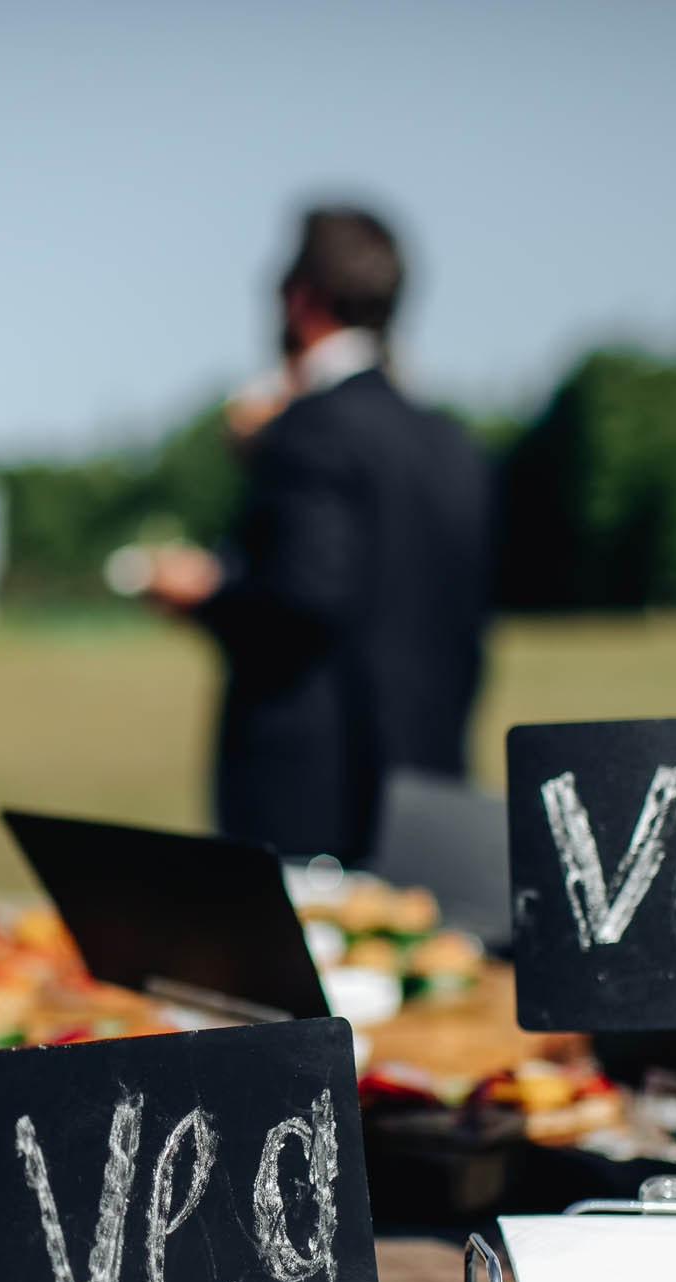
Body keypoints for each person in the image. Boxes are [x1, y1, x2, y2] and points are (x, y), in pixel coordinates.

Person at [142, 205, 493, 863]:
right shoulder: (451, 442)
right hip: (432, 787)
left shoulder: (308, 429)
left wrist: (206, 594)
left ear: (301, 299)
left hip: (318, 802)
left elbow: (304, 595)